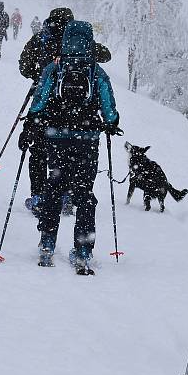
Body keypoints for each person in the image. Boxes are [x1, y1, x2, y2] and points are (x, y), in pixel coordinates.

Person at [18, 20, 121, 275]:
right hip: (87, 139)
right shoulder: (95, 71)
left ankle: (47, 243)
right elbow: (109, 108)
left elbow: (39, 100)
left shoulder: (55, 69)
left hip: (57, 136)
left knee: (54, 187)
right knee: (84, 193)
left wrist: (32, 123)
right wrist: (110, 123)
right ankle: (83, 251)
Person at [18, 7, 112, 216]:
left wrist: (41, 75)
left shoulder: (41, 39)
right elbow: (106, 55)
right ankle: (67, 194)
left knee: (39, 150)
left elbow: (24, 66)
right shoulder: (78, 43)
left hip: (46, 102)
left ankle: (39, 195)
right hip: (77, 112)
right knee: (68, 153)